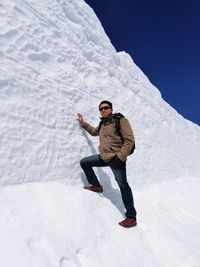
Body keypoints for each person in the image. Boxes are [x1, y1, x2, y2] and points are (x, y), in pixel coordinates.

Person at [77, 100, 137, 228]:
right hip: (104, 157)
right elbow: (94, 132)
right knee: (85, 163)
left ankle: (131, 217)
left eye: (106, 107)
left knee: (123, 185)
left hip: (116, 159)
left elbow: (129, 141)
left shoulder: (120, 120)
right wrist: (83, 123)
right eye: (101, 109)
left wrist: (120, 157)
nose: (103, 110)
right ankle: (97, 186)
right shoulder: (102, 123)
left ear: (111, 109)